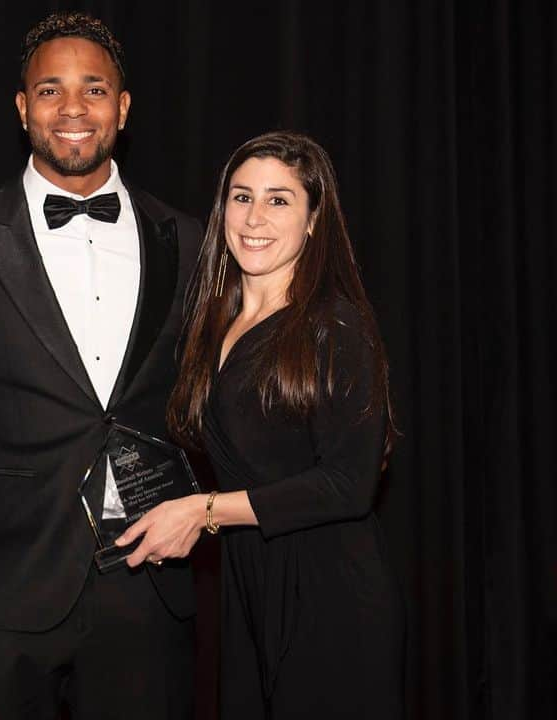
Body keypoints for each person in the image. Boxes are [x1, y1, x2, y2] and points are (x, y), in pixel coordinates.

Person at [0, 12, 201, 720]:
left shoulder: (189, 239)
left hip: (145, 577)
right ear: (22, 108)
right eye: (50, 90)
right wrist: (1, 454)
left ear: (123, 108)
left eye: (94, 89)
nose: (73, 109)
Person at [116, 130, 405, 717]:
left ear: (314, 219)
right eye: (241, 197)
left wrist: (203, 512)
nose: (255, 217)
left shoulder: (334, 326)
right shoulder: (213, 323)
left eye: (279, 200)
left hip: (331, 595)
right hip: (245, 584)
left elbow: (347, 486)